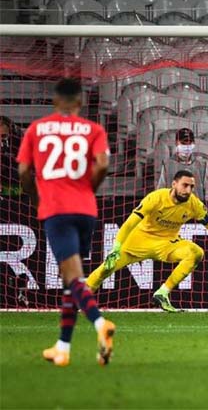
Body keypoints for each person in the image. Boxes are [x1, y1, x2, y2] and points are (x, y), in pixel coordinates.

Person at [16, 78, 115, 367]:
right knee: (72, 279)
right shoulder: (93, 129)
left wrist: (35, 196)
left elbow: (23, 170)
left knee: (72, 277)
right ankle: (63, 347)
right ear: (81, 102)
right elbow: (104, 163)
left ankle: (100, 323)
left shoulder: (37, 129)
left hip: (57, 209)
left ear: (55, 101)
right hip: (86, 209)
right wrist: (89, 189)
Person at [86, 170, 208, 312]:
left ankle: (162, 293)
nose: (188, 190)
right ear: (174, 184)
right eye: (185, 185)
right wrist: (116, 246)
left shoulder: (193, 204)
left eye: (191, 186)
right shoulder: (156, 198)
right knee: (104, 271)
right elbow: (129, 223)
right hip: (136, 243)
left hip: (166, 245)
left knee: (196, 253)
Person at [158, 128, 207, 200]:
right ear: (176, 143)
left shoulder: (202, 166)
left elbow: (206, 194)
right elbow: (160, 192)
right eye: (183, 143)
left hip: (194, 209)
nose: (186, 147)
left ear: (193, 144)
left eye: (189, 143)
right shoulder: (167, 165)